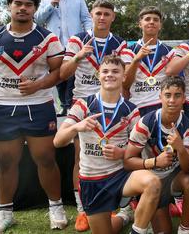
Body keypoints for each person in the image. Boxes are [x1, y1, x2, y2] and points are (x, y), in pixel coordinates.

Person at [0, 0, 68, 233]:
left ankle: (55, 207)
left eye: (28, 4)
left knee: (46, 159)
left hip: (39, 107)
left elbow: (59, 73)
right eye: (18, 3)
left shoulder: (48, 38)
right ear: (9, 6)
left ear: (35, 9)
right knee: (5, 162)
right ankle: (5, 212)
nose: (23, 8)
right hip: (3, 109)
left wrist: (38, 84)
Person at [54, 55, 160, 234]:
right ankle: (124, 216)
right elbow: (58, 141)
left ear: (124, 76)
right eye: (105, 71)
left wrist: (122, 152)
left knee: (152, 183)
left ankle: (138, 230)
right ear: (98, 75)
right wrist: (77, 127)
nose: (110, 75)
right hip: (92, 181)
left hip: (119, 176)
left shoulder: (131, 110)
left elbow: (139, 148)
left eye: (115, 71)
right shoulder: (84, 105)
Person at [60, 0, 134, 231]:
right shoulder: (77, 40)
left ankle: (110, 206)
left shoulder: (120, 44)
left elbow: (128, 79)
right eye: (98, 13)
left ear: (113, 17)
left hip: (112, 105)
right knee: (80, 156)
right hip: (84, 104)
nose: (102, 17)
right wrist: (79, 56)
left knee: (112, 155)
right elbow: (63, 73)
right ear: (91, 15)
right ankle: (83, 209)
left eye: (107, 14)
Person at [124, 76, 189, 234]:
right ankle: (149, 207)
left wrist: (181, 148)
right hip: (151, 180)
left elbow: (188, 169)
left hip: (174, 178)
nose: (172, 100)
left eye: (177, 95)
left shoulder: (188, 125)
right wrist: (154, 162)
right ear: (160, 97)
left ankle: (185, 229)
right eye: (168, 95)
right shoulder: (146, 123)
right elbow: (128, 161)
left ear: (184, 98)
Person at [35, 0, 92, 116]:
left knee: (72, 75)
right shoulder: (46, 0)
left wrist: (90, 33)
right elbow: (39, 20)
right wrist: (51, 5)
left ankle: (69, 104)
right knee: (58, 77)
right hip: (55, 45)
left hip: (73, 43)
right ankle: (64, 105)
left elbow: (86, 18)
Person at [124, 6, 175, 116]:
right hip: (137, 106)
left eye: (156, 20)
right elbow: (125, 84)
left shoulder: (170, 51)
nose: (151, 22)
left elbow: (174, 82)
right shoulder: (129, 51)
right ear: (140, 24)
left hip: (162, 106)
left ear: (160, 25)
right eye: (147, 19)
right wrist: (136, 60)